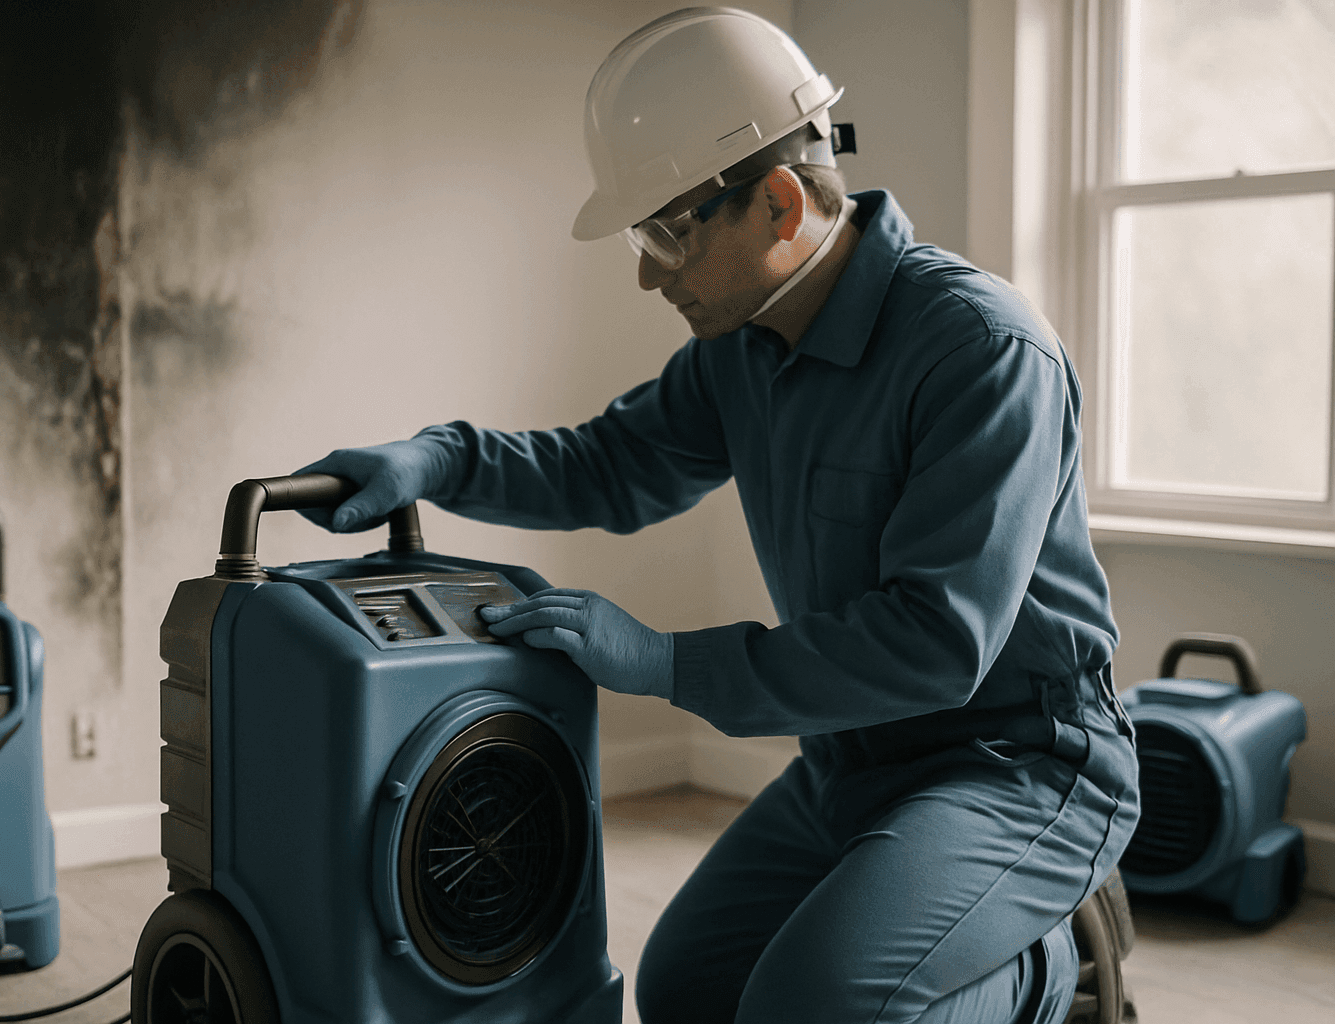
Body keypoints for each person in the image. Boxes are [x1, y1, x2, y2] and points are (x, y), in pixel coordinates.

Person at [296, 8, 1139, 1024]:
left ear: (778, 203)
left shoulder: (980, 351)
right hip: (852, 760)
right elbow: (607, 465)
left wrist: (667, 662)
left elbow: (935, 642)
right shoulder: (743, 350)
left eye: (663, 232)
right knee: (689, 989)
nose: (648, 272)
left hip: (1020, 765)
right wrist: (437, 457)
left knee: (812, 1008)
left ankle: (1051, 967)